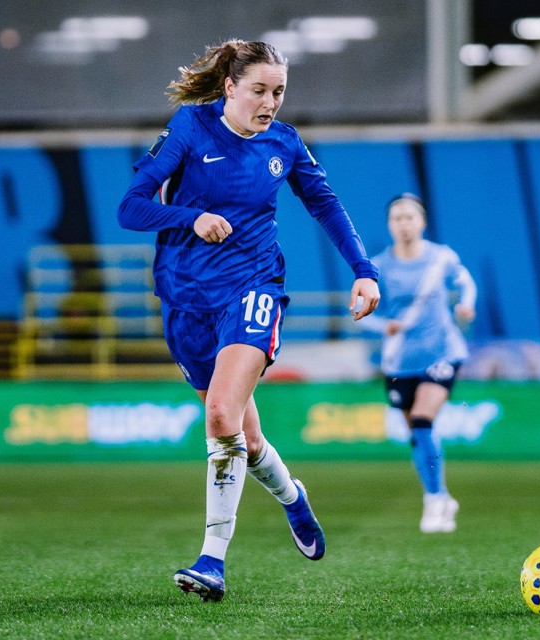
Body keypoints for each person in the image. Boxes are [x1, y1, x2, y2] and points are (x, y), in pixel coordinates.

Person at [117, 39, 380, 602]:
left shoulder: (284, 142)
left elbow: (326, 204)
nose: (270, 103)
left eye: (279, 91)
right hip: (187, 302)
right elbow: (131, 207)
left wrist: (363, 268)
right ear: (230, 87)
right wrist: (192, 217)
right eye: (259, 90)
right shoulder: (190, 128)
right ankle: (293, 498)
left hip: (254, 288)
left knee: (219, 415)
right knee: (247, 436)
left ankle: (212, 559)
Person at [358, 193, 476, 533]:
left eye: (410, 217)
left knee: (423, 420)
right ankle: (437, 492)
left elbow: (466, 282)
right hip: (399, 362)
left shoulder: (441, 258)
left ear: (422, 222)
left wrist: (466, 304)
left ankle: (434, 502)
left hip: (442, 354)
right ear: (389, 225)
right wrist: (384, 325)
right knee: (417, 434)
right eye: (397, 218)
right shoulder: (377, 266)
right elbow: (359, 313)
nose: (404, 223)